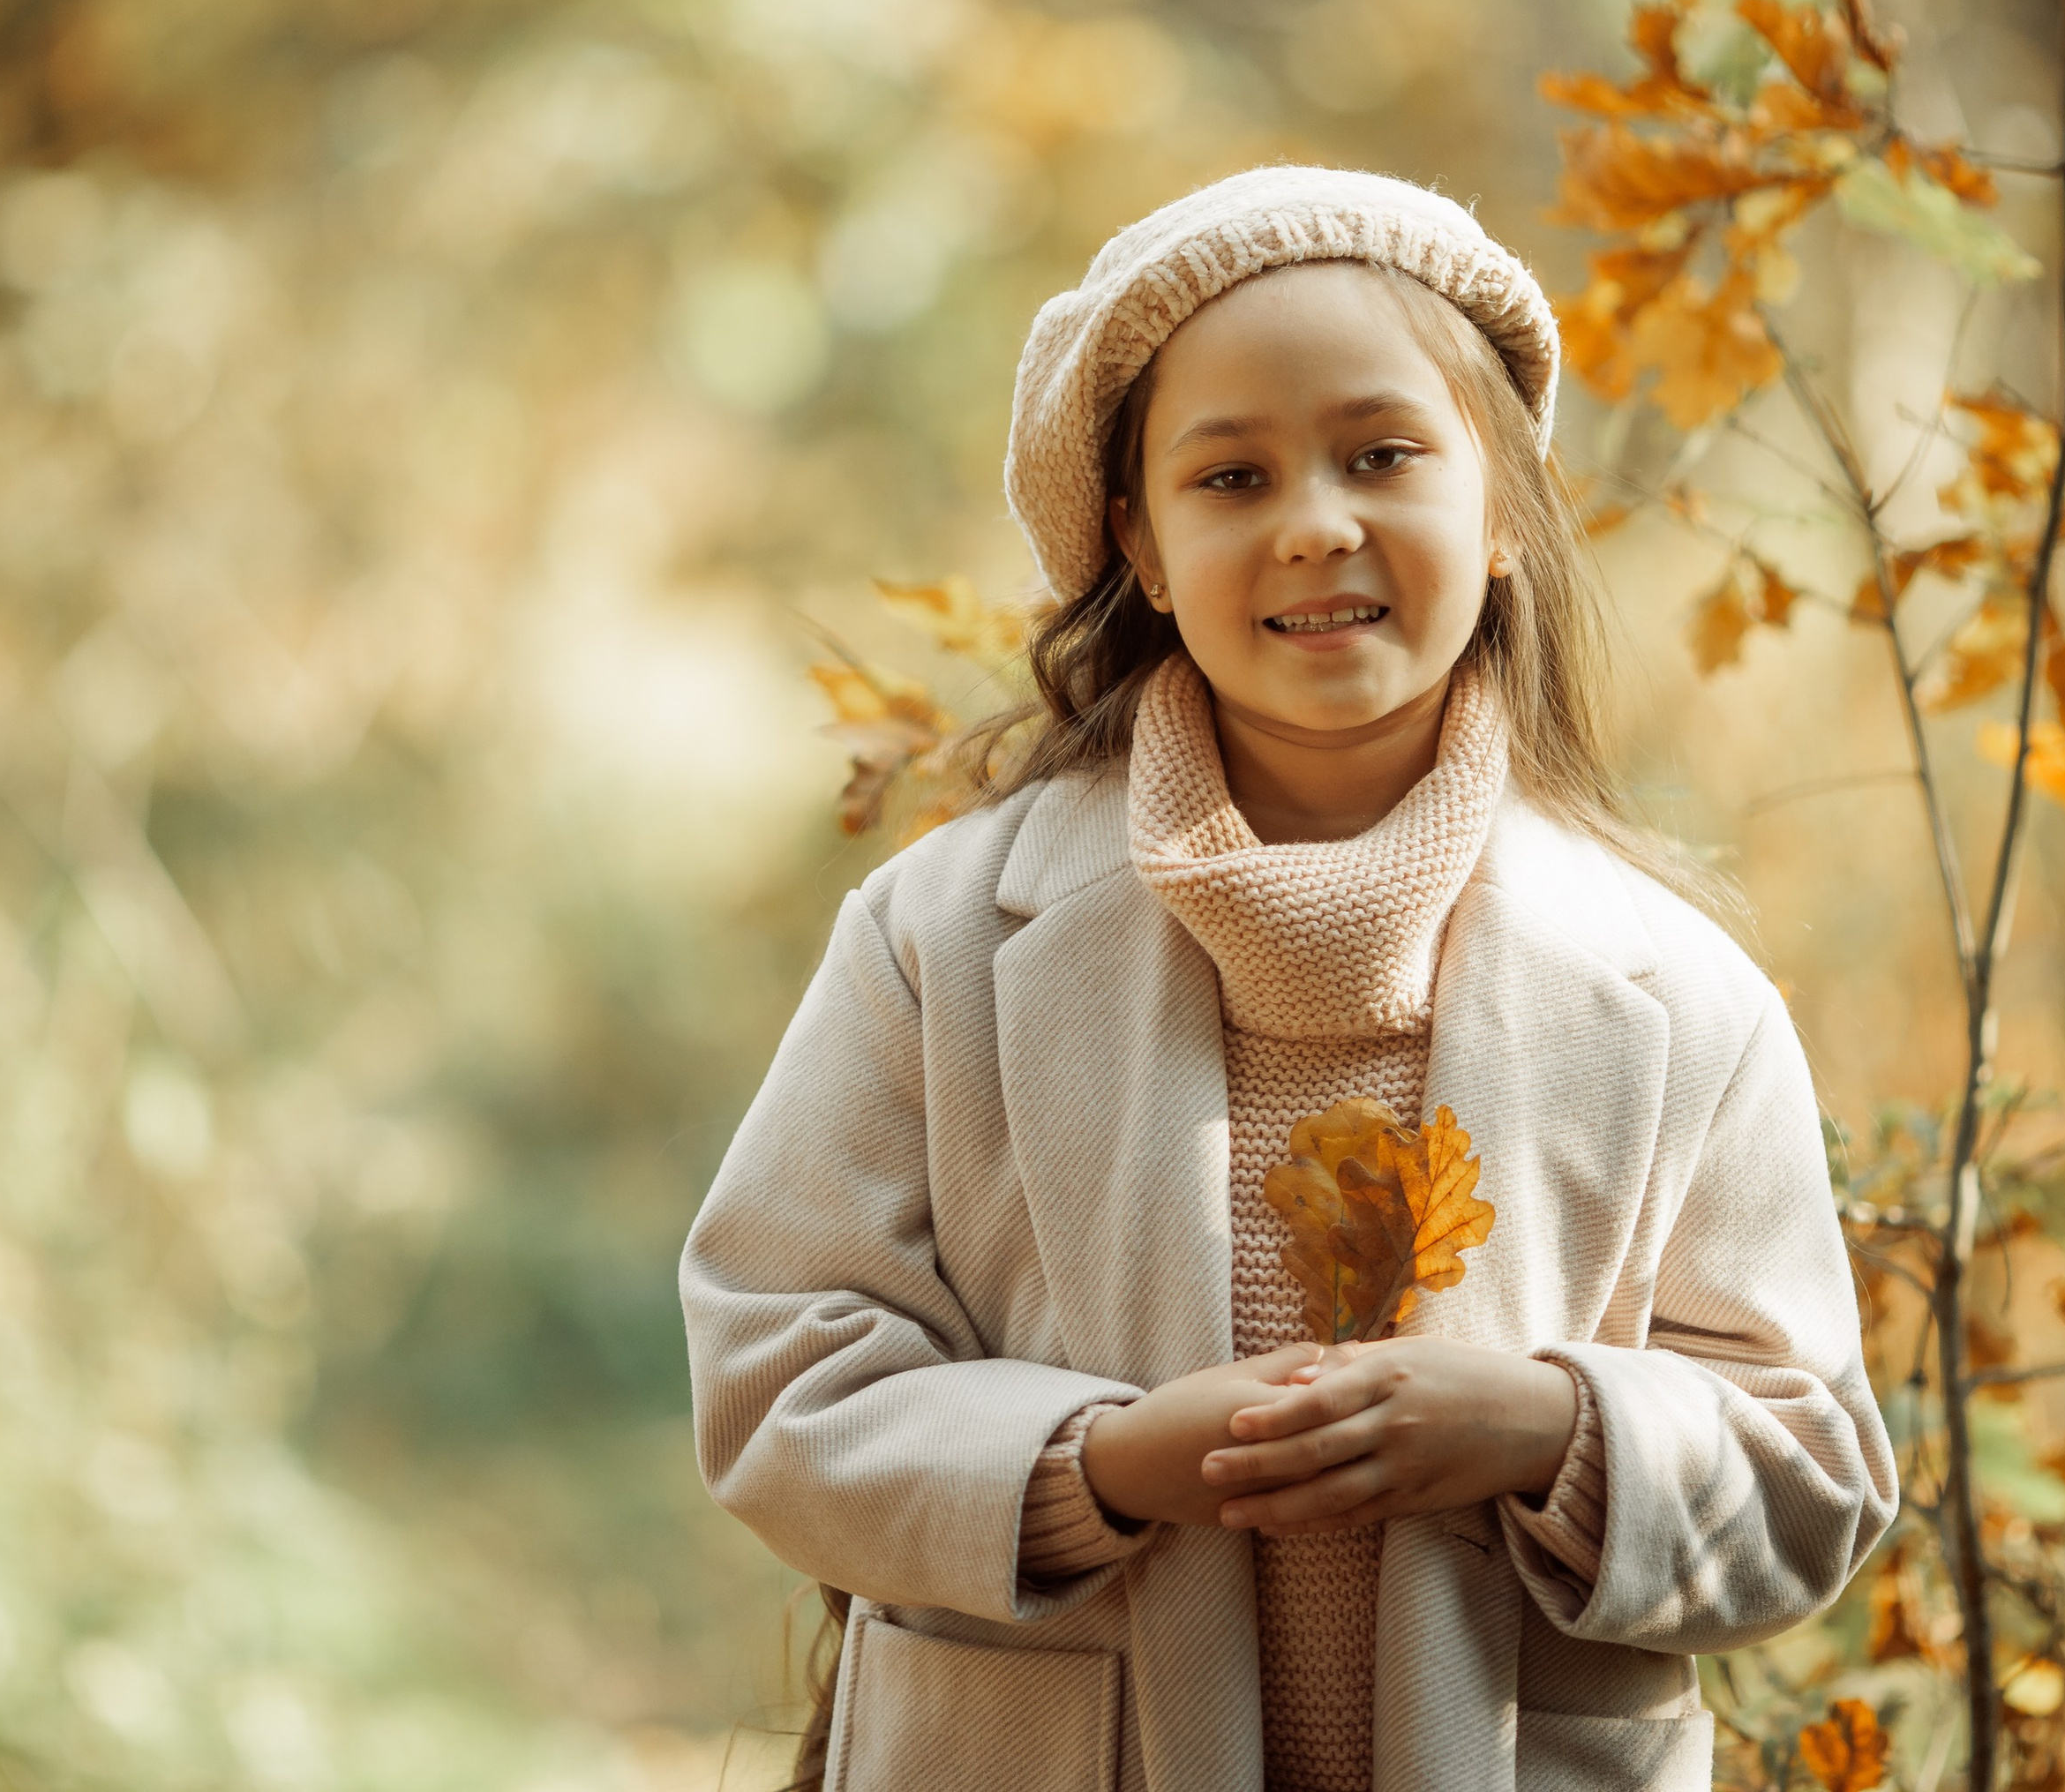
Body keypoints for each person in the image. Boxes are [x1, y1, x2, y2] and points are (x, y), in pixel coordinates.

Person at [680, 167, 1896, 1792]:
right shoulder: (944, 939)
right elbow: (776, 1373)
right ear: (1145, 550)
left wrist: (1553, 1431)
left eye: (1384, 454)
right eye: (1233, 474)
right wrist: (1101, 1465)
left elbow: (1809, 1471)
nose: (1317, 520)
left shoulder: (1680, 995)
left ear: (1509, 510)